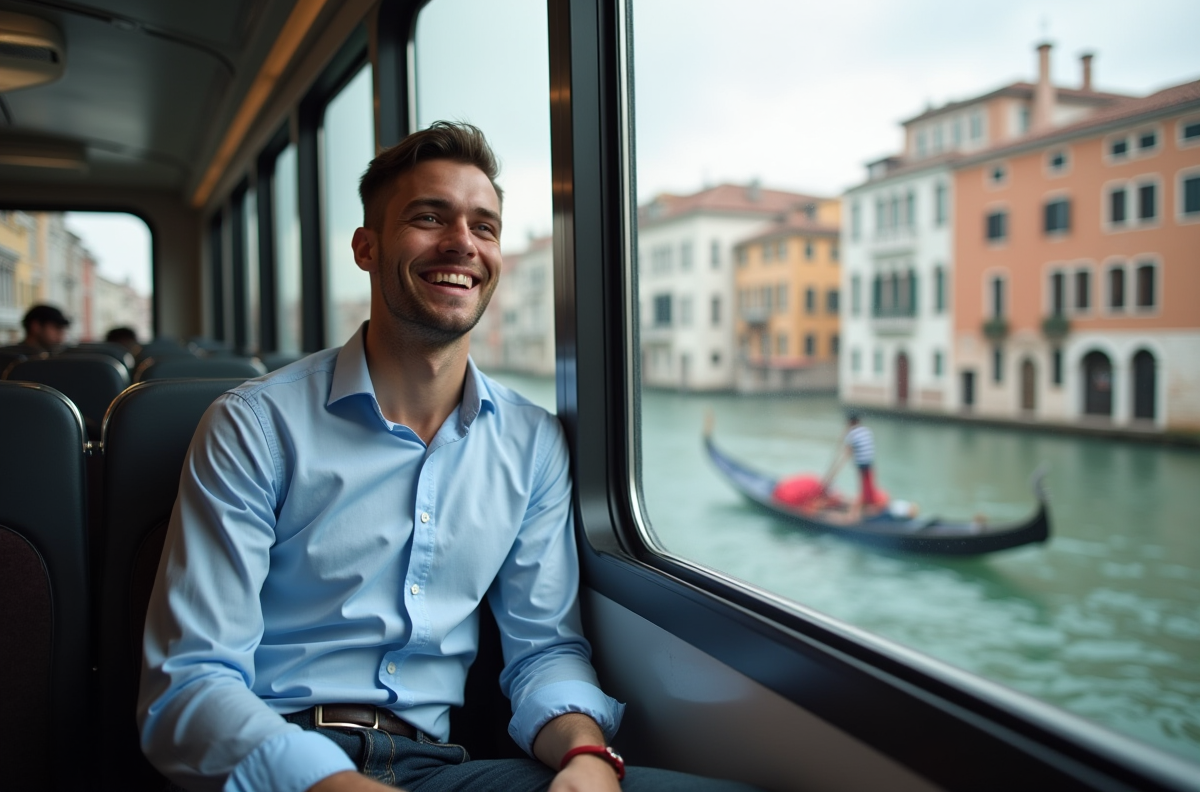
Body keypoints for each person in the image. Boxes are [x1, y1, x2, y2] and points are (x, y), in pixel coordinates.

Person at [139, 122, 758, 792]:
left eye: (484, 226)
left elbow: (544, 651)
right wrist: (328, 782)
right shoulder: (254, 426)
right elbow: (189, 686)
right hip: (281, 760)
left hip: (439, 770)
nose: (463, 242)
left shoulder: (532, 444)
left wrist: (585, 756)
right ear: (366, 248)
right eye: (429, 217)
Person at [822, 413, 882, 519]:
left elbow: (847, 452)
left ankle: (865, 507)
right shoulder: (866, 430)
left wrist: (834, 472)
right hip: (869, 461)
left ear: (851, 423)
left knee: (865, 485)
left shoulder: (852, 433)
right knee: (868, 483)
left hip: (861, 462)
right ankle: (868, 503)